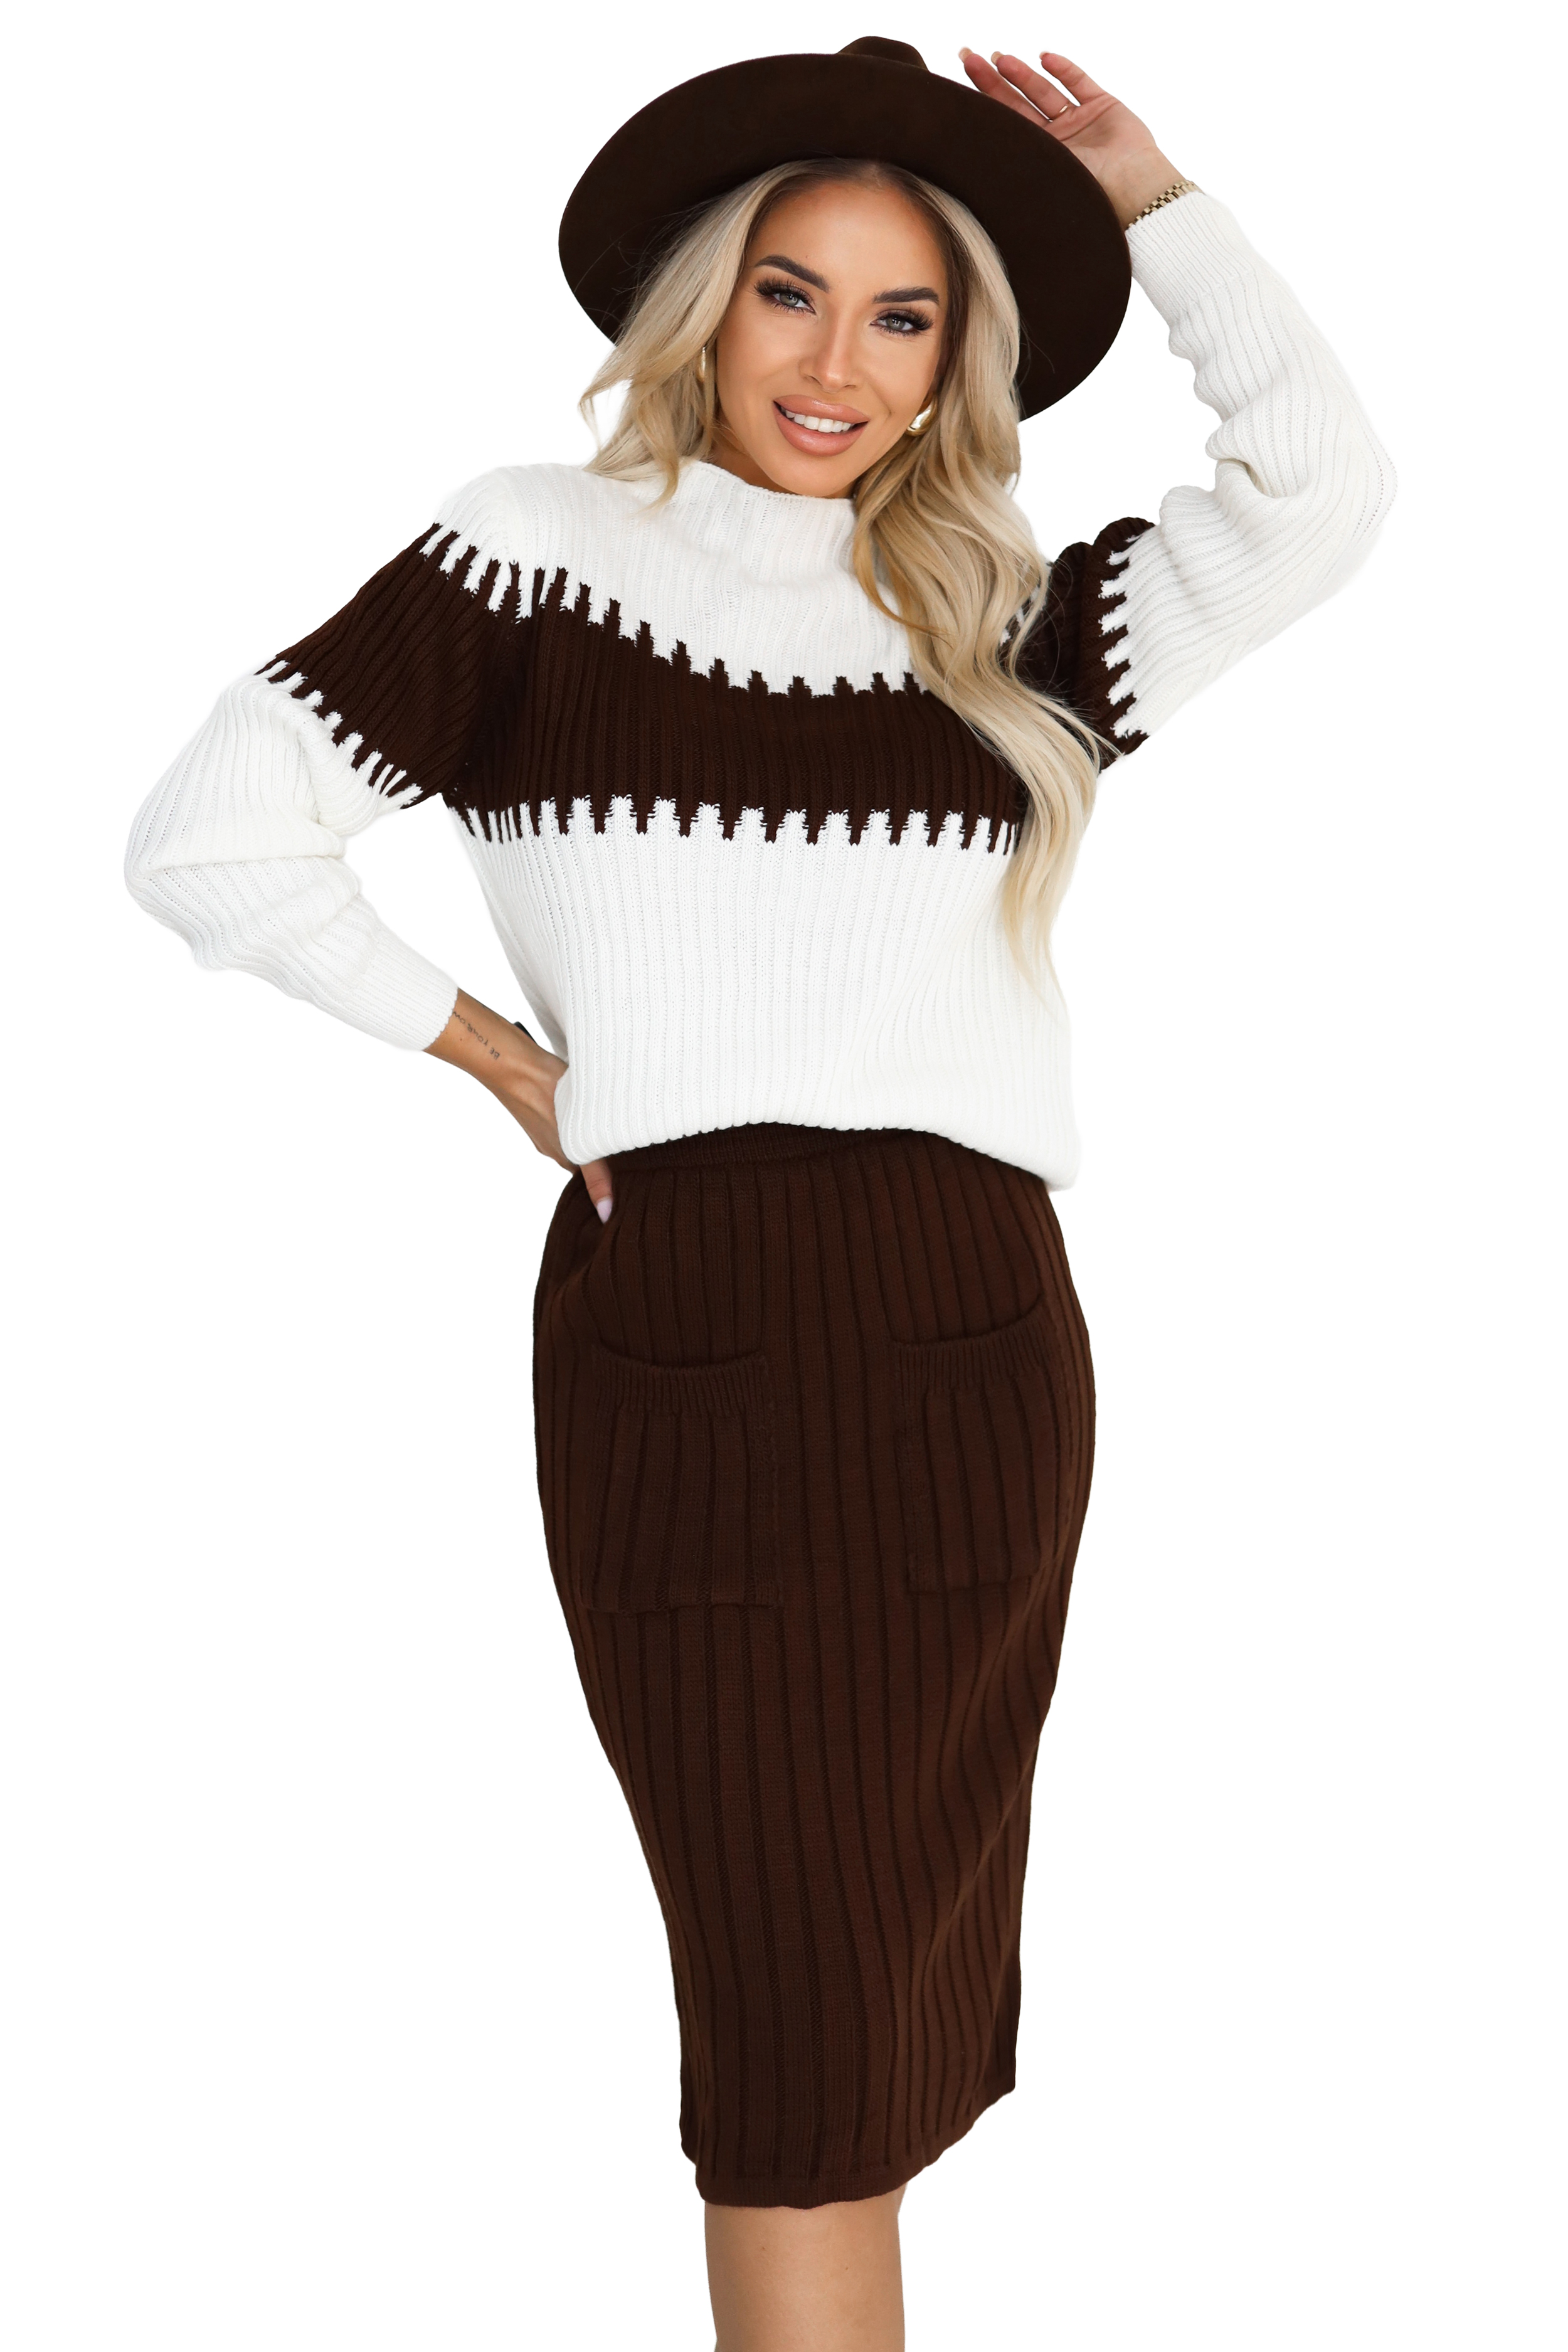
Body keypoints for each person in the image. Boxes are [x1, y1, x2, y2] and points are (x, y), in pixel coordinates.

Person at [124, 36, 1395, 2352]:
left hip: (971, 1332)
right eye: (789, 294)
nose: (836, 364)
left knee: (879, 2000)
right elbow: (210, 836)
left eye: (905, 316)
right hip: (683, 1328)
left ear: (954, 360)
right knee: (790, 2024)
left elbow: (1319, 491)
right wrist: (495, 1058)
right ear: (700, 304)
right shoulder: (532, 554)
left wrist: (1154, 204)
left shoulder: (1002, 616)